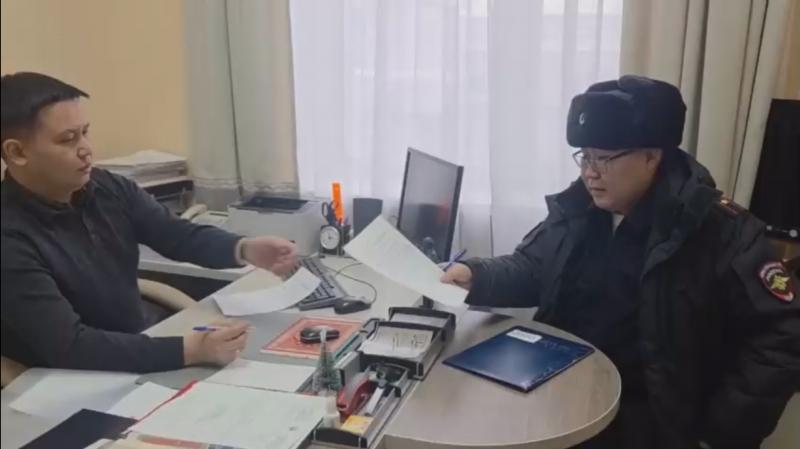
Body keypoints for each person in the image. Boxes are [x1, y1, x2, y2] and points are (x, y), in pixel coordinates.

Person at [442, 75, 800, 449]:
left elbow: (784, 333)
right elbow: (534, 267)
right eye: (585, 156)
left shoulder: (719, 232)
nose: (589, 172)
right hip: (558, 390)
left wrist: (723, 431)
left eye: (604, 158)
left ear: (652, 156)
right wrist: (475, 276)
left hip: (648, 420)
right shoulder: (580, 207)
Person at [1, 72, 298, 373]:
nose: (86, 149)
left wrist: (244, 249)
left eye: (86, 132)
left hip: (136, 350)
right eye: (68, 139)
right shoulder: (10, 237)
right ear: (17, 152)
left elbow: (175, 234)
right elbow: (70, 346)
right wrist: (190, 350)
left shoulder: (106, 187)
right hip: (63, 379)